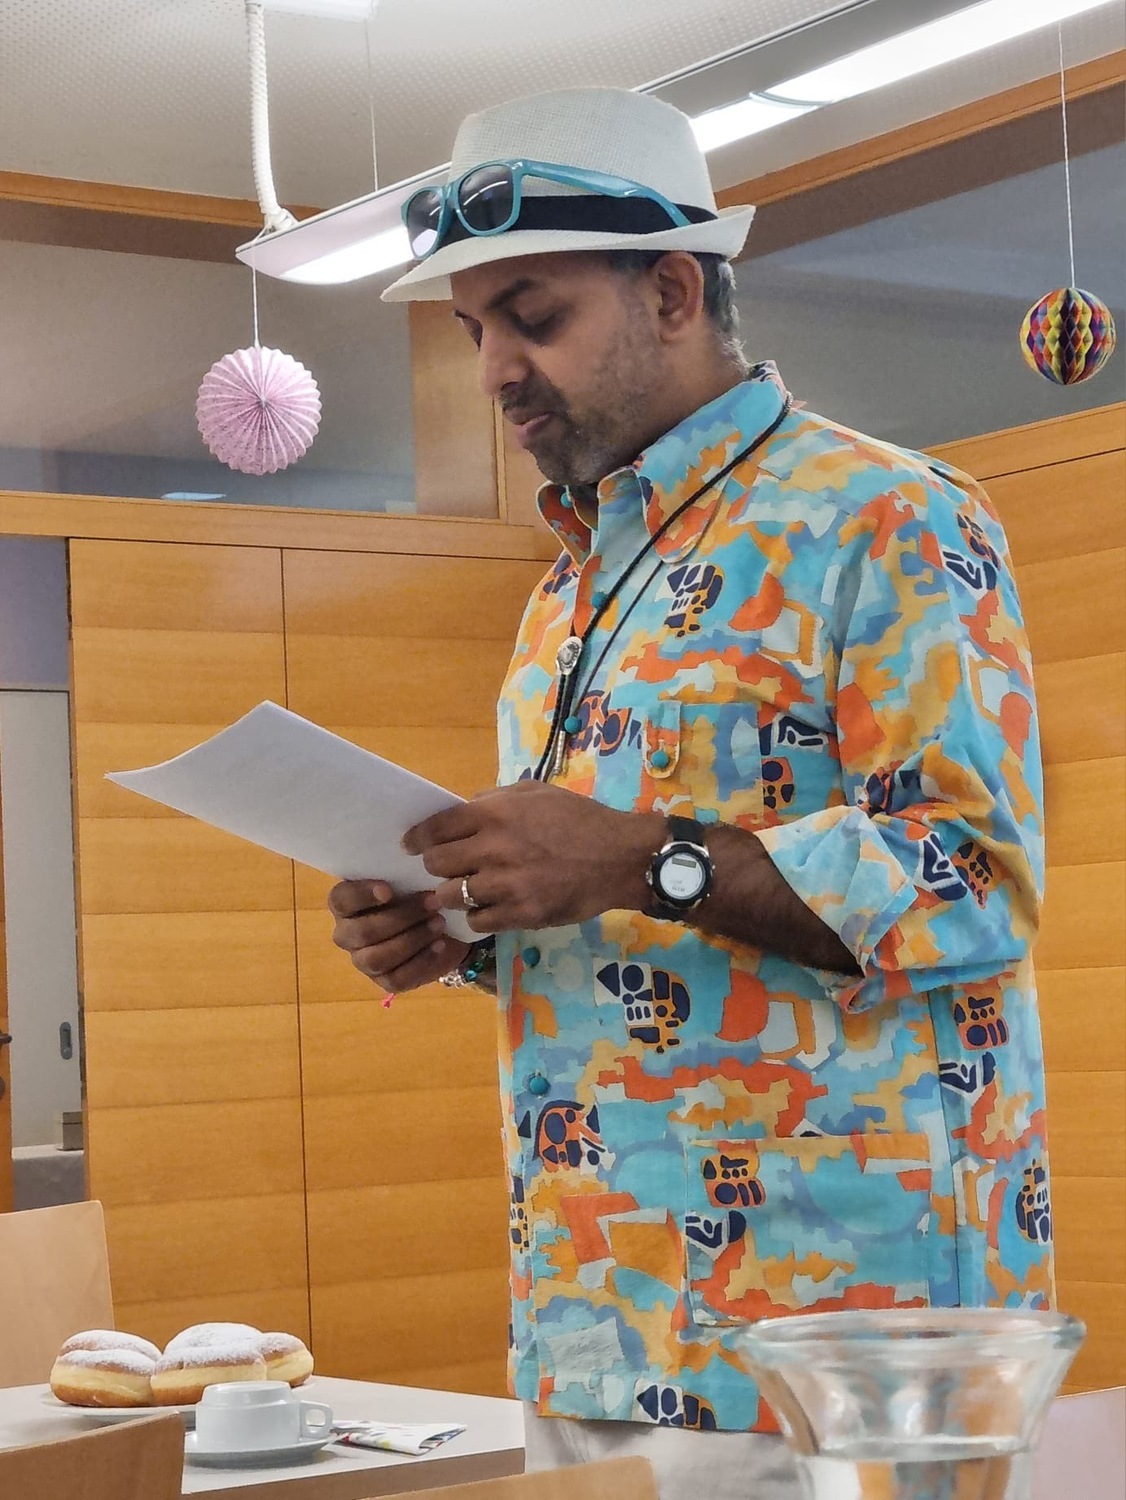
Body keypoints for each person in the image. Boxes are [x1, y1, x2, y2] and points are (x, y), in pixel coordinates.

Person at [328, 87, 1053, 1500]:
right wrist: (463, 927)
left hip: (840, 1340)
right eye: (473, 330)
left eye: (531, 316)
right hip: (590, 1317)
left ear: (669, 290)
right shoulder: (564, 597)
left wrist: (633, 859)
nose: (494, 370)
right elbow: (630, 920)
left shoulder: (890, 515)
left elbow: (973, 881)